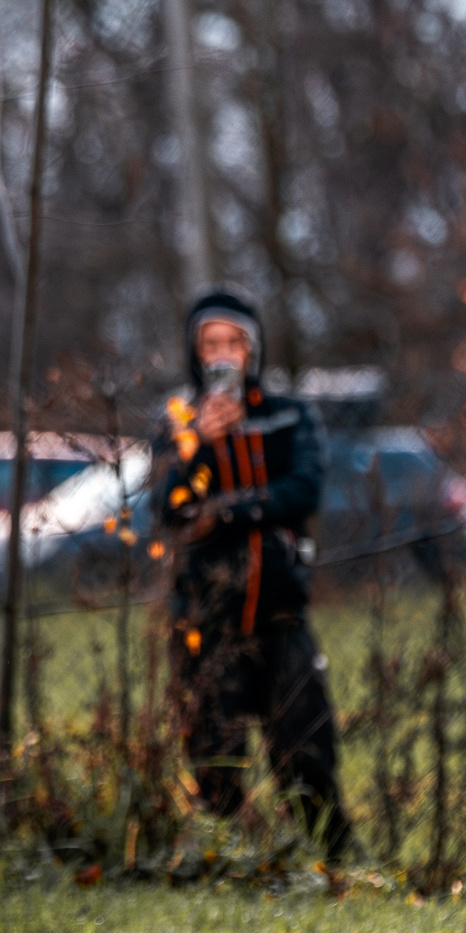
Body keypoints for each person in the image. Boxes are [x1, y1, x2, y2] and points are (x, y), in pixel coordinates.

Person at [157, 289, 354, 858]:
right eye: (210, 344)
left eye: (233, 343)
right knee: (213, 749)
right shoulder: (179, 421)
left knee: (307, 742)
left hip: (281, 610)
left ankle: (332, 858)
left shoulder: (289, 412)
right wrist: (201, 446)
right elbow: (169, 507)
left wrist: (227, 510)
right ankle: (233, 859)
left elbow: (304, 491)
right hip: (206, 614)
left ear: (253, 350)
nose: (223, 355)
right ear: (195, 354)